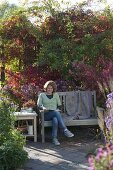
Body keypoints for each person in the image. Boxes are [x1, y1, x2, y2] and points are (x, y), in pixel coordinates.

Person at [37, 80, 74, 146]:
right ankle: (65, 130)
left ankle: (54, 139)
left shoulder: (56, 95)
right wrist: (43, 108)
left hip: (55, 114)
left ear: (53, 89)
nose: (50, 89)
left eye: (51, 88)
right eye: (48, 88)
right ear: (45, 88)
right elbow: (39, 105)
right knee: (56, 113)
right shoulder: (42, 95)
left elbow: (59, 106)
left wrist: (58, 109)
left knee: (55, 119)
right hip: (45, 114)